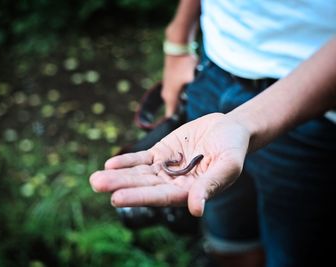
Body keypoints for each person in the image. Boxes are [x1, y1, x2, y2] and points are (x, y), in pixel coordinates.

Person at [90, 1, 336, 267]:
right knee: (228, 242)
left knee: (294, 253)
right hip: (212, 69)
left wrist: (243, 123)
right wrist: (178, 38)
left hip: (314, 107)